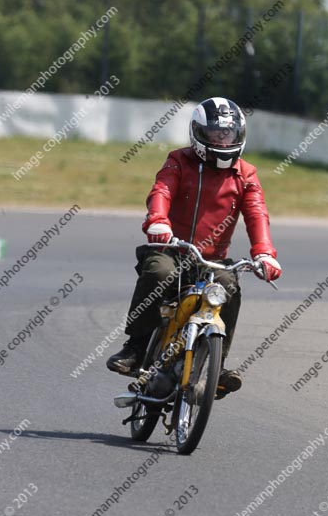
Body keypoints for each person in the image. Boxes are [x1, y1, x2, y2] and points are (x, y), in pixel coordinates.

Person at [106, 97, 281, 398]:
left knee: (229, 285)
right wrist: (158, 221)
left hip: (212, 261)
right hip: (170, 249)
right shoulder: (179, 160)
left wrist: (264, 253)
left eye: (228, 134)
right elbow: (161, 189)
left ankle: (217, 362)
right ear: (199, 133)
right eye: (215, 134)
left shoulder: (246, 174)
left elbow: (256, 213)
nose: (222, 140)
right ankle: (135, 346)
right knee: (159, 273)